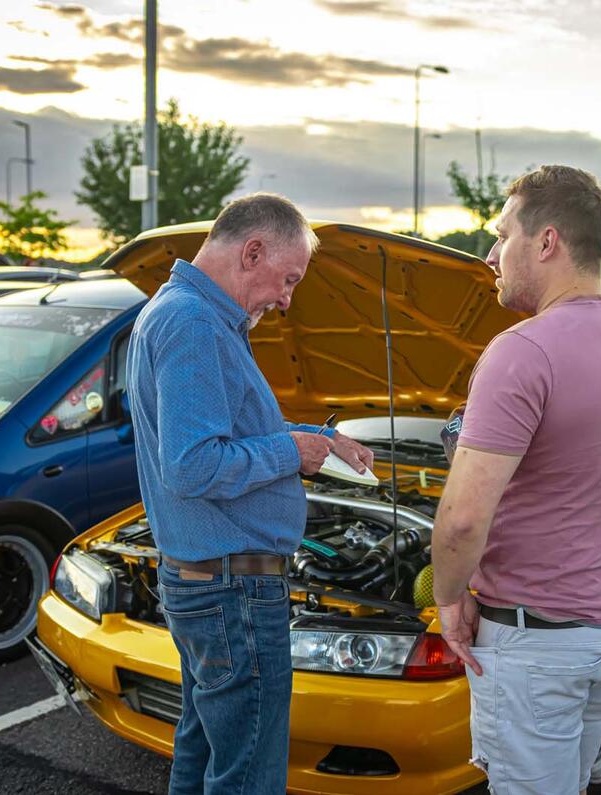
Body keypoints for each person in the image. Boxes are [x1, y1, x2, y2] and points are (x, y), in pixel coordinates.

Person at [125, 194, 374, 795]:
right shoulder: (194, 324)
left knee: (207, 747)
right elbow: (192, 465)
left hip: (207, 582)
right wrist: (295, 453)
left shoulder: (179, 310)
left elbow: (232, 431)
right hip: (233, 590)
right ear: (252, 251)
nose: (288, 300)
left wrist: (318, 438)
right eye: (288, 280)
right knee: (250, 775)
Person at [431, 165, 601, 795]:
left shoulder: (521, 350)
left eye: (503, 235)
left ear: (547, 241)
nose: (491, 254)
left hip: (540, 647)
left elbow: (461, 519)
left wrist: (448, 600)